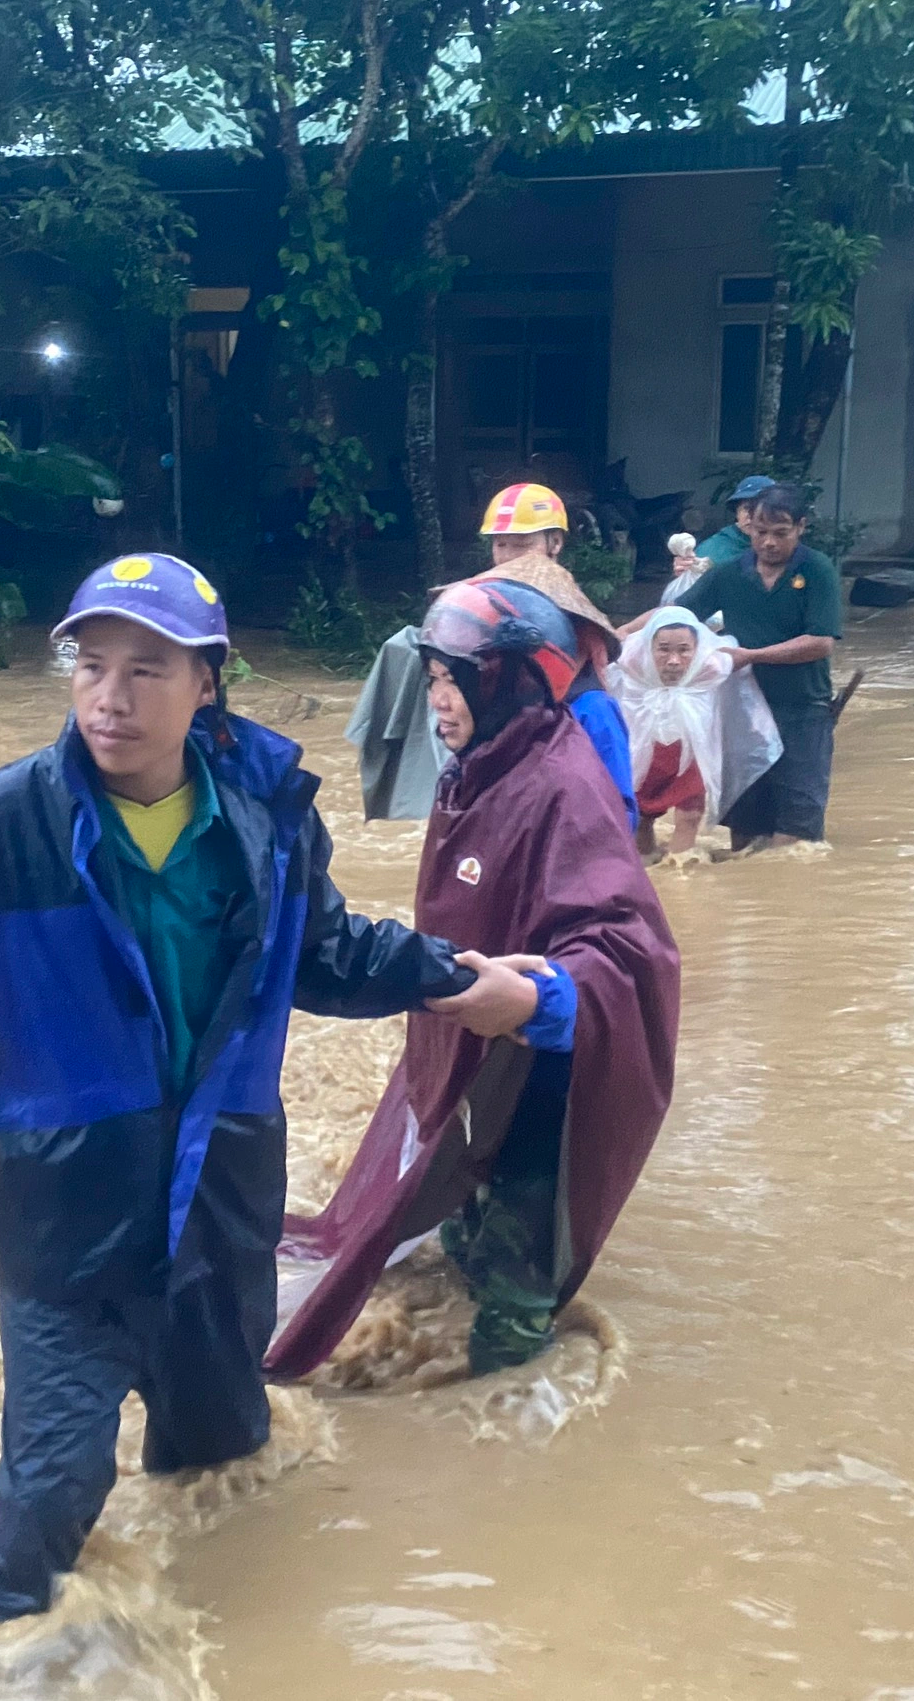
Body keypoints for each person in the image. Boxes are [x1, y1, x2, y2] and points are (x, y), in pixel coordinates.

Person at [0, 552, 543, 1628]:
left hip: (221, 1213)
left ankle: (230, 1639)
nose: (109, 696)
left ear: (207, 684)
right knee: (47, 1498)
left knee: (221, 1461)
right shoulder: (2, 829)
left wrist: (466, 979)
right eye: (89, 665)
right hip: (65, 1226)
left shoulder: (265, 819)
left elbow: (324, 954)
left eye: (146, 668)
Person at [265, 578, 680, 1380]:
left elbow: (631, 946)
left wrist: (534, 998)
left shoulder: (562, 783)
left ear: (515, 682)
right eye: (433, 682)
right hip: (477, 1056)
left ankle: (505, 1427)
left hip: (543, 1083)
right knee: (457, 1225)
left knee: (516, 1301)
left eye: (456, 681)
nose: (441, 702)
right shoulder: (485, 765)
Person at [641, 482, 841, 849]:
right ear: (748, 527)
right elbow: (676, 616)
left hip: (802, 710)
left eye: (780, 534)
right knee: (746, 831)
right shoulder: (730, 572)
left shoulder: (817, 570)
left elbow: (820, 642)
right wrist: (621, 632)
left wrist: (751, 656)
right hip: (742, 711)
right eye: (760, 532)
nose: (768, 543)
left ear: (801, 527)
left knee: (797, 834)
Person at [473, 482, 638, 834]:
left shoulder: (592, 709)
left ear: (556, 544)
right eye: (502, 544)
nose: (510, 557)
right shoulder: (483, 692)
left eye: (523, 545)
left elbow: (618, 816)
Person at [605, 606, 781, 860]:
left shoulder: (710, 664)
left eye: (684, 650)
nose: (674, 660)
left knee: (690, 813)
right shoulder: (630, 660)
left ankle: (680, 870)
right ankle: (647, 860)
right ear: (649, 646)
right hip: (645, 747)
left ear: (696, 649)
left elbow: (741, 658)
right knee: (642, 814)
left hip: (692, 749)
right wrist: (626, 629)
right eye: (663, 649)